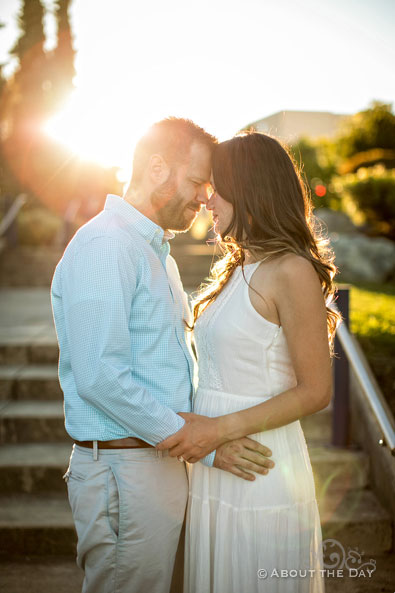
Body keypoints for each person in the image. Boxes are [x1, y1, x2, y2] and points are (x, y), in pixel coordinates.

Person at [50, 118, 275, 593]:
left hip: (154, 467)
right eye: (196, 182)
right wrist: (201, 442)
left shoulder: (153, 249)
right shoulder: (108, 244)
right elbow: (99, 376)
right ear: (156, 168)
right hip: (125, 473)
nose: (203, 197)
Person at [156, 132, 341, 593]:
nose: (206, 198)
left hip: (260, 467)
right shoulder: (237, 267)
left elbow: (317, 390)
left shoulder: (291, 270)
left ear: (251, 188)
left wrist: (218, 431)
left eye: (216, 187)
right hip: (217, 467)